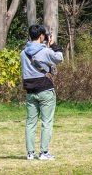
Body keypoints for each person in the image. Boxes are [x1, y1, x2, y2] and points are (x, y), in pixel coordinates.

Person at [21, 24, 64, 161]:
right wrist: (53, 45)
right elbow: (59, 58)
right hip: (45, 89)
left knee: (30, 122)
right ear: (41, 36)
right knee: (47, 122)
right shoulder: (45, 51)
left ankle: (30, 153)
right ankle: (44, 152)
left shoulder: (23, 53)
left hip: (30, 91)